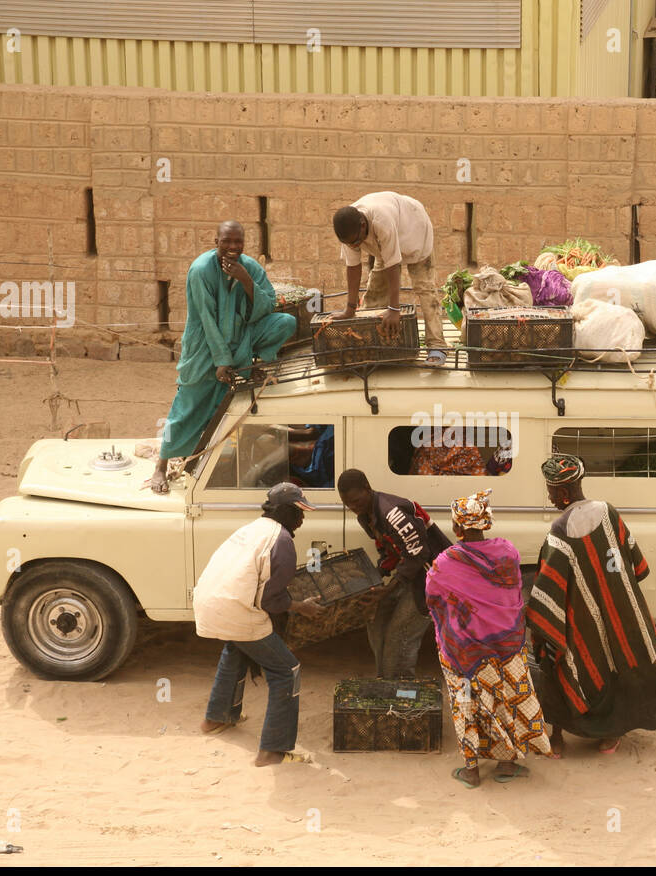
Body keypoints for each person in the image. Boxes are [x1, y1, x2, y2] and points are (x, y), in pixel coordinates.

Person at [525, 454, 656, 757]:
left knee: (556, 661)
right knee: (620, 664)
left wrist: (543, 628)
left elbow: (549, 593)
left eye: (551, 491)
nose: (549, 496)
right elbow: (636, 564)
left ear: (564, 493)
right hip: (623, 612)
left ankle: (556, 738)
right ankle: (610, 735)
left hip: (581, 622)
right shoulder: (609, 513)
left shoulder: (559, 533)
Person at [150, 221, 297, 493]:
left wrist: (246, 280)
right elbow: (206, 319)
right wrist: (221, 361)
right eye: (226, 242)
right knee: (187, 406)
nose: (232, 248)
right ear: (215, 240)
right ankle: (160, 465)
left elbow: (268, 305)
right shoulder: (201, 270)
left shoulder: (250, 267)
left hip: (241, 338)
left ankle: (258, 363)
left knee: (286, 322)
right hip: (206, 347)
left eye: (237, 243)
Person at [426, 489, 551, 788]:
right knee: (507, 700)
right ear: (487, 523)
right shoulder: (508, 553)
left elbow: (432, 599)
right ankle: (506, 764)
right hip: (505, 646)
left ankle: (471, 770)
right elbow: (514, 595)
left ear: (457, 528)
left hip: (463, 650)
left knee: (466, 704)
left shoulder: (445, 562)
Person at [194, 482, 324, 765]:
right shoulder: (282, 541)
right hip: (237, 610)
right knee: (287, 671)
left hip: (208, 602)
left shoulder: (250, 529)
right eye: (299, 511)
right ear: (284, 511)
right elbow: (270, 601)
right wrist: (300, 606)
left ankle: (216, 719)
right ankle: (272, 751)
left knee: (237, 648)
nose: (302, 518)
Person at [337, 468, 451, 679]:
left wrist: (388, 588)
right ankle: (386, 679)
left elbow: (418, 554)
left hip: (433, 577)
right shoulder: (366, 516)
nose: (353, 508)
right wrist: (375, 576)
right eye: (348, 504)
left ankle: (401, 689)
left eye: (356, 501)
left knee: (400, 635)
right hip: (412, 574)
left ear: (367, 489)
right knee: (376, 617)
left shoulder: (392, 513)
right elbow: (389, 551)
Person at [330, 192, 450, 366]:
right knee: (375, 292)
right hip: (384, 244)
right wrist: (349, 309)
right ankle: (372, 341)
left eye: (356, 242)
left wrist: (394, 309)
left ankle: (437, 346)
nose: (355, 247)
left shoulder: (381, 220)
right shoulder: (350, 231)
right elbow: (353, 267)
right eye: (350, 244)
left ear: (363, 225)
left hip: (414, 230)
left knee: (424, 288)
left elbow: (393, 266)